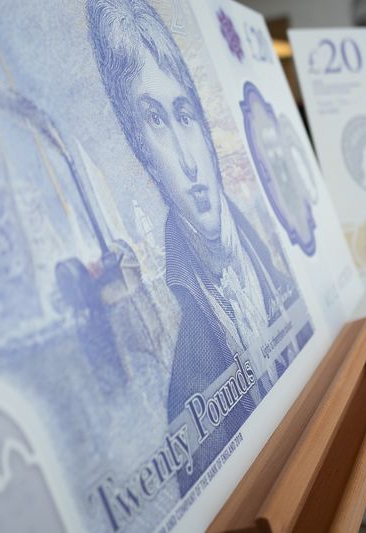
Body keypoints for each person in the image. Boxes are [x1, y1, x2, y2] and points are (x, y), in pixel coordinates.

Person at [87, 0, 295, 495]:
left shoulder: (271, 254)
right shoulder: (191, 383)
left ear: (203, 120)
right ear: (140, 149)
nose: (187, 160)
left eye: (185, 114)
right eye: (155, 121)